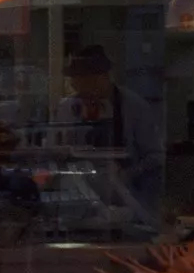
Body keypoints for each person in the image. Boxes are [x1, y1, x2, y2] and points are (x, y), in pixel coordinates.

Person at [57, 44, 164, 230]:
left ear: (99, 78)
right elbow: (61, 151)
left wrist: (128, 174)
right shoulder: (68, 108)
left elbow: (155, 156)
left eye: (80, 80)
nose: (75, 86)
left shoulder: (134, 107)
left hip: (130, 195)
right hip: (83, 198)